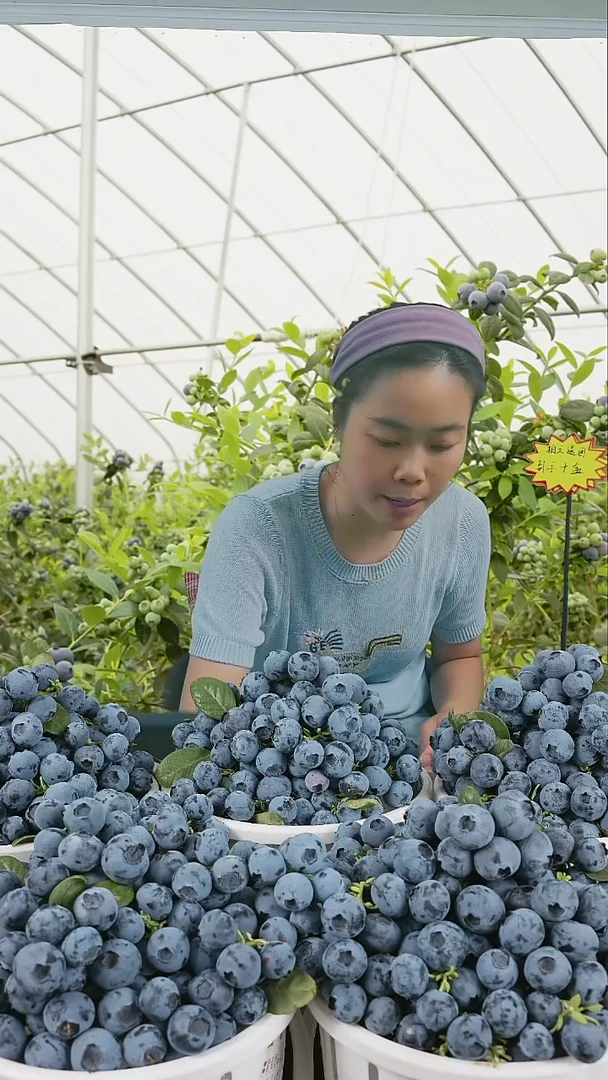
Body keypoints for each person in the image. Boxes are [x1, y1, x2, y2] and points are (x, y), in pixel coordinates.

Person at [180, 302, 491, 767]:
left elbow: (458, 657)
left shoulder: (462, 523)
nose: (412, 471)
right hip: (285, 761)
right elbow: (209, 710)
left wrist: (452, 714)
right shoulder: (258, 529)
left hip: (414, 760)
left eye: (443, 444)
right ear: (339, 421)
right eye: (387, 440)